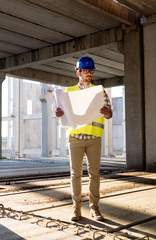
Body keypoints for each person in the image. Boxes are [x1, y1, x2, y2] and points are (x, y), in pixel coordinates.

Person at [55, 56, 112, 221]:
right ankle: (76, 208)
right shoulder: (69, 92)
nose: (89, 73)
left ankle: (95, 208)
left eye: (91, 71)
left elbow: (109, 113)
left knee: (94, 174)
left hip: (94, 138)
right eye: (86, 70)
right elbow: (62, 115)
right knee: (76, 175)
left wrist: (107, 112)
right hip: (76, 139)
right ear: (78, 72)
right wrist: (58, 114)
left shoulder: (100, 91)